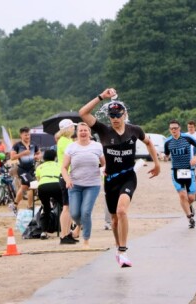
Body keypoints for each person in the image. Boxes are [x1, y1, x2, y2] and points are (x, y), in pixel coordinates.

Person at [79, 88, 161, 267]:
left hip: (128, 177)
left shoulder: (134, 130)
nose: (115, 119)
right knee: (115, 219)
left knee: (122, 211)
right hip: (110, 180)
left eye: (118, 115)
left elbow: (148, 143)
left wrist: (157, 163)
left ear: (124, 114)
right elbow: (82, 113)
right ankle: (118, 247)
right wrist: (102, 96)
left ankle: (123, 250)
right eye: (112, 115)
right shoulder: (103, 130)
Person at [61, 123, 105, 248]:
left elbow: (104, 164)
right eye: (81, 130)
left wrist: (105, 170)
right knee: (74, 213)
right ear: (77, 133)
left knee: (85, 212)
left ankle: (86, 240)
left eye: (85, 130)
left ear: (89, 133)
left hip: (92, 185)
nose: (83, 132)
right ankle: (80, 225)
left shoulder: (97, 146)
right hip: (75, 185)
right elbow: (64, 167)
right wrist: (67, 180)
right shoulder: (71, 147)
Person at [164, 120, 196, 228]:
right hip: (176, 171)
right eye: (171, 129)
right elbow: (166, 156)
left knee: (191, 198)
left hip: (188, 170)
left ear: (179, 128)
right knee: (182, 195)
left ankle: (189, 206)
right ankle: (190, 218)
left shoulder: (187, 138)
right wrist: (164, 157)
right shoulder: (167, 142)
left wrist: (195, 156)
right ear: (169, 130)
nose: (174, 130)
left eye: (175, 128)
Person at [55, 119, 81, 244]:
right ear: (67, 129)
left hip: (70, 175)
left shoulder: (67, 141)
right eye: (72, 127)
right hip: (66, 176)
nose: (74, 129)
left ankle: (67, 234)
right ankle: (64, 234)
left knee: (69, 207)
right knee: (66, 207)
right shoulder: (64, 141)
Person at [10, 127, 41, 212]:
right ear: (21, 135)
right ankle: (30, 207)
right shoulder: (17, 145)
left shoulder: (33, 144)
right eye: (25, 135)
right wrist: (23, 153)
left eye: (29, 135)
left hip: (31, 169)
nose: (28, 137)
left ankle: (14, 205)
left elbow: (39, 154)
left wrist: (37, 157)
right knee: (31, 185)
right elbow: (12, 157)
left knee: (24, 187)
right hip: (22, 169)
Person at [35, 149, 62, 238]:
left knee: (46, 209)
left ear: (44, 157)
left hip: (43, 187)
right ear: (55, 157)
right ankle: (67, 229)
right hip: (57, 185)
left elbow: (38, 180)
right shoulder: (59, 165)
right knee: (65, 207)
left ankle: (44, 231)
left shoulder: (40, 167)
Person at [186, 120, 196, 201]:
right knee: (189, 176)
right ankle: (190, 192)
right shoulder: (185, 135)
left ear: (195, 127)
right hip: (187, 158)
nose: (190, 128)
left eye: (191, 127)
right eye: (189, 127)